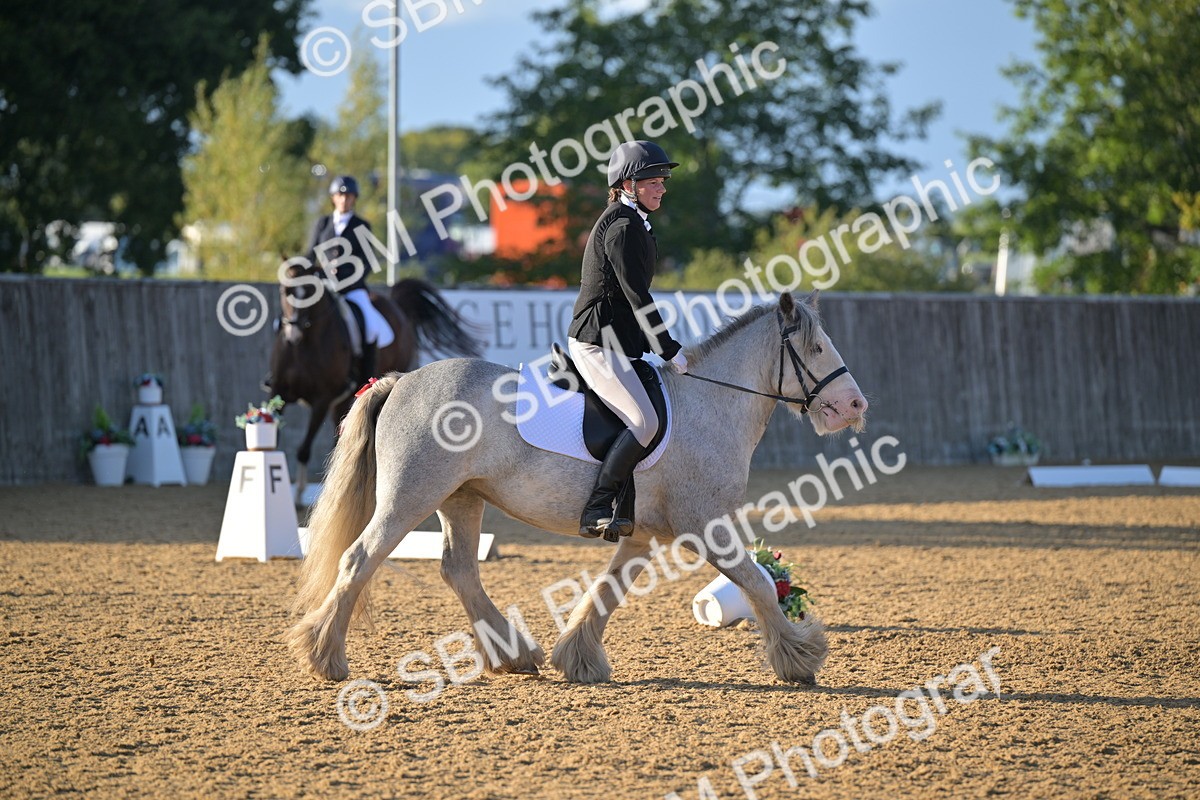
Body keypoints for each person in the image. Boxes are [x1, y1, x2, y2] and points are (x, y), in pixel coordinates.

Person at [567, 140, 689, 541]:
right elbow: (638, 297)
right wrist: (668, 348)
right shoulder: (621, 227)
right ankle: (598, 506)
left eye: (662, 180)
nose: (662, 188)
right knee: (644, 421)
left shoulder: (635, 222)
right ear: (626, 185)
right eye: (653, 181)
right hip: (596, 341)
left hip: (618, 342)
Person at [307, 175, 394, 382]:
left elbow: (367, 261)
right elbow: (310, 254)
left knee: (371, 328)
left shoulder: (361, 226)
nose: (344, 200)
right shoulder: (322, 223)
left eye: (349, 196)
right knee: (296, 319)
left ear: (354, 198)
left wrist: (350, 279)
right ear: (333, 198)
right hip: (325, 287)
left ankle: (365, 378)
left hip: (353, 289)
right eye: (340, 195)